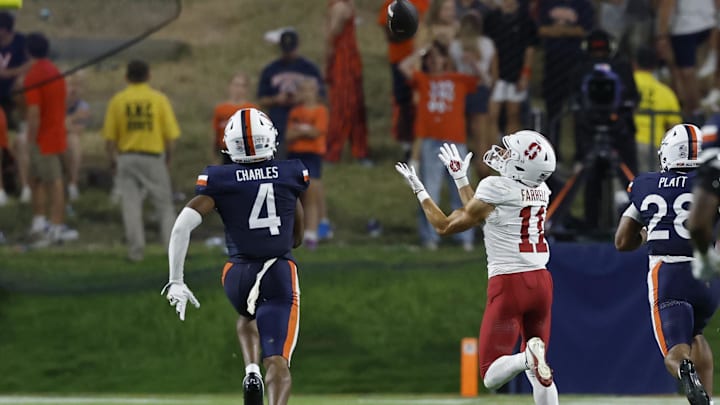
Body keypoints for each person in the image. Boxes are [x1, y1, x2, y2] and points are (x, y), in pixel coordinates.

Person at [395, 130, 559, 405]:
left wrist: (419, 189)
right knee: (539, 371)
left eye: (510, 153)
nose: (503, 154)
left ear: (521, 165)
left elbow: (444, 225)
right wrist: (460, 178)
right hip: (541, 282)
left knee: (490, 375)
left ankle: (525, 357)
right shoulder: (541, 189)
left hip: (509, 283)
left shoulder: (497, 187)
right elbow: (484, 212)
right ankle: (531, 356)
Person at [161, 108, 307, 405]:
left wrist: (176, 280)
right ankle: (266, 380)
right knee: (278, 361)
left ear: (229, 143)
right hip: (278, 272)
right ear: (270, 139)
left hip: (236, 275)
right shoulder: (290, 174)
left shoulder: (220, 180)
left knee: (248, 314)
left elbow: (181, 227)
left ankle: (250, 368)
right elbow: (297, 238)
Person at [614, 124, 717, 405]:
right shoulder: (712, 181)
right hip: (707, 277)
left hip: (669, 275)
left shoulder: (645, 184)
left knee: (676, 352)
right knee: (696, 335)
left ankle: (685, 371)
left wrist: (647, 234)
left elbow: (622, 241)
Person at [399, 40, 477, 250]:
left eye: (437, 57)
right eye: (430, 58)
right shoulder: (423, 79)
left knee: (461, 190)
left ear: (445, 59)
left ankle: (465, 237)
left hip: (455, 140)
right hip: (431, 141)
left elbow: (483, 80)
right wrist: (421, 51)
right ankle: (430, 237)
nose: (433, 61)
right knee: (429, 191)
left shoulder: (457, 79)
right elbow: (404, 67)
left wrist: (470, 61)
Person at [103, 60, 180, 262]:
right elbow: (170, 136)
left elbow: (110, 138)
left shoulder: (118, 101)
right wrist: (169, 158)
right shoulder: (158, 99)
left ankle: (135, 252)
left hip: (127, 157)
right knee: (164, 205)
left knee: (131, 206)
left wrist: (112, 160)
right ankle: (173, 251)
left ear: (126, 77)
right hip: (153, 156)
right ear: (149, 76)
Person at [24, 32, 77, 244]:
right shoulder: (56, 72)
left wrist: (30, 138)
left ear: (28, 51)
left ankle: (55, 227)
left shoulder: (33, 76)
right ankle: (39, 221)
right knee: (38, 179)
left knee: (53, 183)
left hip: (44, 139)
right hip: (57, 134)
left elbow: (34, 112)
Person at [376, 0, 430, 161]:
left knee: (423, 104)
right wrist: (407, 27)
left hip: (423, 59)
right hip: (400, 58)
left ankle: (423, 146)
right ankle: (407, 146)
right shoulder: (391, 5)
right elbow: (389, 34)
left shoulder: (424, 2)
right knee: (404, 103)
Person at [257, 29, 324, 158]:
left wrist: (302, 98)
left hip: (304, 121)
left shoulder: (309, 69)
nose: (288, 54)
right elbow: (261, 100)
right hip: (278, 121)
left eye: (291, 50)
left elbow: (322, 98)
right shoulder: (271, 69)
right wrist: (276, 99)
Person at [449, 11, 497, 179]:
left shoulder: (454, 46)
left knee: (459, 138)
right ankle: (484, 178)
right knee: (481, 140)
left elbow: (451, 72)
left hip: (461, 92)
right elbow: (494, 76)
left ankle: (460, 177)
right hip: (480, 91)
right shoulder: (488, 45)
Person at [286, 78, 329, 249]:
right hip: (296, 154)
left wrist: (301, 131)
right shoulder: (295, 111)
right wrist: (305, 132)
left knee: (311, 192)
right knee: (294, 195)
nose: (307, 93)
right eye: (303, 89)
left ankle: (312, 232)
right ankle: (296, 232)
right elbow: (289, 135)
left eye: (310, 89)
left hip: (312, 155)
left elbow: (317, 132)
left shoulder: (320, 110)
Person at [632, 46, 682, 172]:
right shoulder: (666, 92)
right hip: (655, 145)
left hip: (629, 144)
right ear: (654, 66)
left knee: (624, 187)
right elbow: (675, 128)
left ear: (634, 63)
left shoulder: (624, 86)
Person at [212, 72, 258, 164]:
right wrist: (214, 157)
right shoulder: (220, 109)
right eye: (236, 85)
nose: (238, 89)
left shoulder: (252, 109)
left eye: (242, 86)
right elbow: (215, 135)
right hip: (226, 152)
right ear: (230, 86)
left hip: (246, 152)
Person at [64, 71, 91, 201]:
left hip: (68, 138)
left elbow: (78, 130)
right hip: (52, 137)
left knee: (73, 141)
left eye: (78, 85)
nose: (74, 89)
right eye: (70, 84)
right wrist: (74, 117)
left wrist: (65, 123)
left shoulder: (83, 106)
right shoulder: (55, 102)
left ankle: (72, 185)